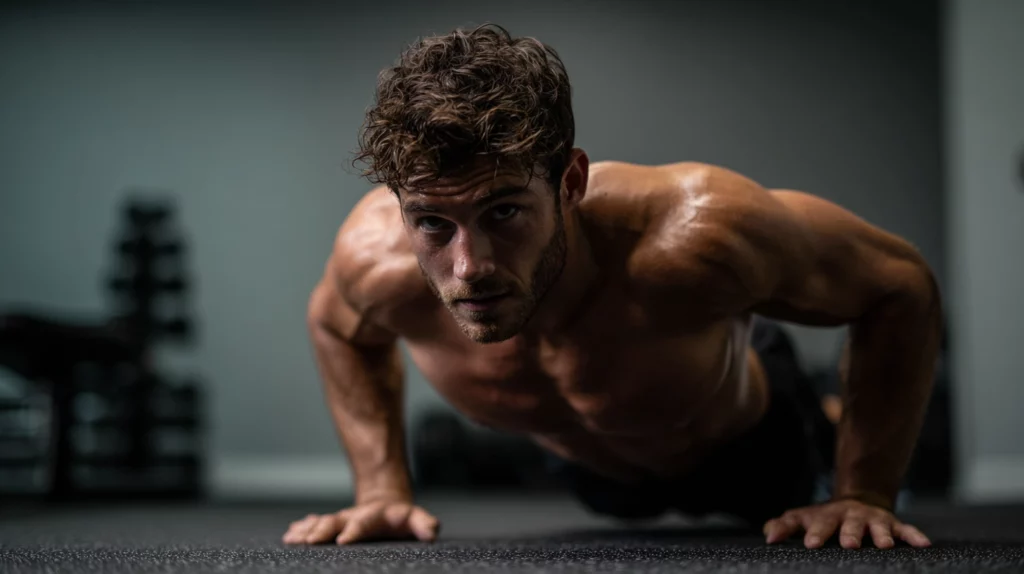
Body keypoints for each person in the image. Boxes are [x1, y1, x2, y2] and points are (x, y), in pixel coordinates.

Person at [282, 24, 941, 550]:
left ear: (570, 183)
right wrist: (380, 490)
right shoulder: (375, 264)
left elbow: (899, 286)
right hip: (591, 477)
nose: (470, 265)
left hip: (753, 448)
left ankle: (830, 411)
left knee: (818, 445)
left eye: (504, 213)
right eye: (432, 223)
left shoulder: (697, 232)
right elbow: (336, 326)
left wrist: (866, 491)